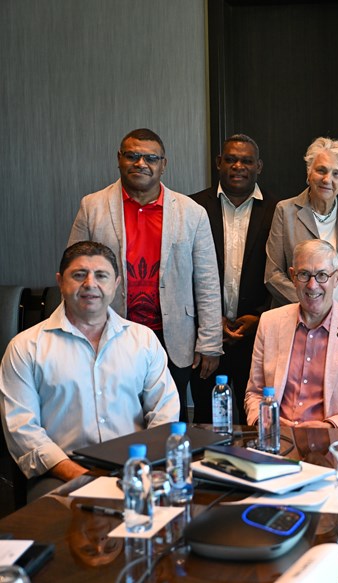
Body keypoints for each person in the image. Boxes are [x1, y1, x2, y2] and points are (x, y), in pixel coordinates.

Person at [0, 242, 179, 500]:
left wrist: (143, 465)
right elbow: (22, 431)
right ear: (61, 282)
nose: (90, 284)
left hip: (137, 467)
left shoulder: (143, 340)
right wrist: (79, 475)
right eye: (79, 274)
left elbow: (165, 411)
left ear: (116, 284)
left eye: (101, 275)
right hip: (61, 473)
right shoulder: (25, 347)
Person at [68, 128, 222, 422]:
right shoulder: (93, 207)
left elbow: (207, 281)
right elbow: (73, 273)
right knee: (114, 419)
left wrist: (210, 341)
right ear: (119, 159)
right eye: (133, 156)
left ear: (164, 163)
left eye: (151, 157)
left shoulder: (191, 212)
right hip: (110, 332)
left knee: (169, 421)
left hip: (172, 336)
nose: (141, 163)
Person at [245, 239, 338, 428]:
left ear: (337, 278)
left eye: (322, 275)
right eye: (304, 274)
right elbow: (254, 393)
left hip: (333, 443)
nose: (312, 285)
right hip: (277, 439)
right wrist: (265, 421)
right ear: (293, 277)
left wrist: (331, 426)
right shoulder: (270, 323)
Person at [190, 134, 280, 423]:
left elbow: (283, 272)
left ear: (259, 166)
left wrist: (261, 317)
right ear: (219, 163)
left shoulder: (279, 211)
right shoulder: (193, 208)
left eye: (246, 161)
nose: (238, 166)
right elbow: (183, 272)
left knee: (255, 417)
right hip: (206, 335)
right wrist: (209, 320)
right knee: (207, 417)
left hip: (257, 332)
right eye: (231, 159)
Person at [264, 137, 338, 314]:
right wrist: (312, 306)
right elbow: (273, 275)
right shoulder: (285, 211)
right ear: (309, 173)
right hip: (297, 318)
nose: (327, 179)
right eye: (321, 170)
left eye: (336, 174)